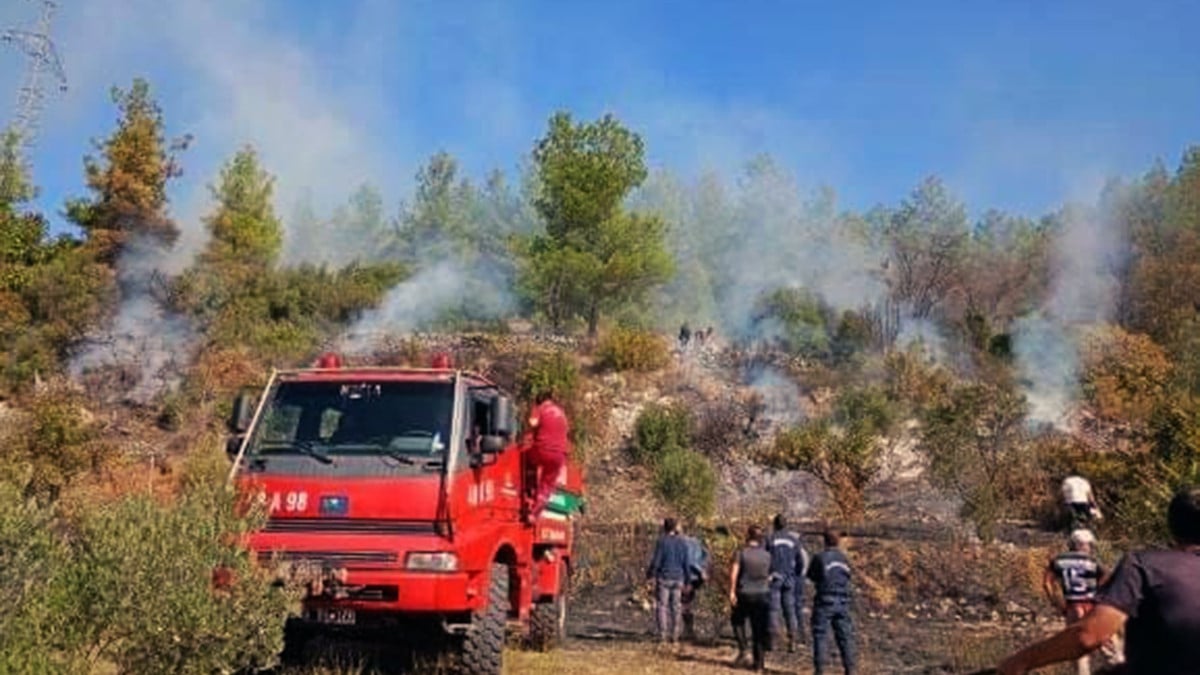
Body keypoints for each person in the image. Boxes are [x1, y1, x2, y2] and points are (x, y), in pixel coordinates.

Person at [997, 486, 1200, 675]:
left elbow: (1087, 636)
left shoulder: (1144, 565)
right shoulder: (1096, 563)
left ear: (1173, 527)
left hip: (1081, 608)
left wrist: (1021, 661)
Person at [1044, 529, 1119, 675]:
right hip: (1092, 607)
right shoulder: (1092, 561)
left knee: (1078, 650)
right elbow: (1108, 579)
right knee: (1108, 646)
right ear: (1084, 544)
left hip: (1072, 607)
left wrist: (1057, 603)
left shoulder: (1059, 561)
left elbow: (1046, 583)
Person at [808, 528, 856, 675]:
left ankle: (820, 670)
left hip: (825, 600)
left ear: (824, 541)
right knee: (845, 636)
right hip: (843, 600)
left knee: (820, 635)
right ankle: (850, 669)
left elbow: (811, 576)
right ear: (838, 541)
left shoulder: (819, 558)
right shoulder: (844, 558)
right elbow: (848, 576)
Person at [522, 389, 571, 522]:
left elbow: (532, 423)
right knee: (547, 485)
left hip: (542, 450)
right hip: (560, 456)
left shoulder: (541, 408)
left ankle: (528, 491)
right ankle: (534, 514)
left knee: (526, 458)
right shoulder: (561, 413)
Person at [730, 524, 773, 671]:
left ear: (748, 536)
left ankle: (743, 649)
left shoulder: (741, 553)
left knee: (737, 621)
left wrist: (732, 591)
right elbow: (770, 576)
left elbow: (734, 572)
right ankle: (759, 665)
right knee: (758, 630)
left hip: (744, 593)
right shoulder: (767, 555)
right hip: (762, 594)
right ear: (761, 539)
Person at [646, 518, 690, 647]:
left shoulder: (662, 541)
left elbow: (657, 560)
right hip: (679, 577)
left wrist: (651, 574)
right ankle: (675, 635)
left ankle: (663, 635)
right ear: (675, 527)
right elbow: (686, 562)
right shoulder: (682, 543)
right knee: (676, 606)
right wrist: (688, 580)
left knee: (662, 606)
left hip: (664, 577)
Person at [767, 514, 805, 653]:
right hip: (790, 578)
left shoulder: (770, 539)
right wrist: (797, 574)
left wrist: (767, 574)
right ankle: (792, 641)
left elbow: (765, 557)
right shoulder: (794, 540)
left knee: (773, 610)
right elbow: (800, 560)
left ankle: (773, 642)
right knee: (790, 610)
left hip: (775, 577)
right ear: (786, 525)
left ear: (774, 524)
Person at [680, 523, 710, 642]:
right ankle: (688, 630)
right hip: (697, 576)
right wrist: (704, 569)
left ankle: (687, 630)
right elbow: (706, 555)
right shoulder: (697, 542)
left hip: (688, 575)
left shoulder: (683, 543)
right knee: (687, 602)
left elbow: (690, 561)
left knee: (684, 602)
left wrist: (699, 569)